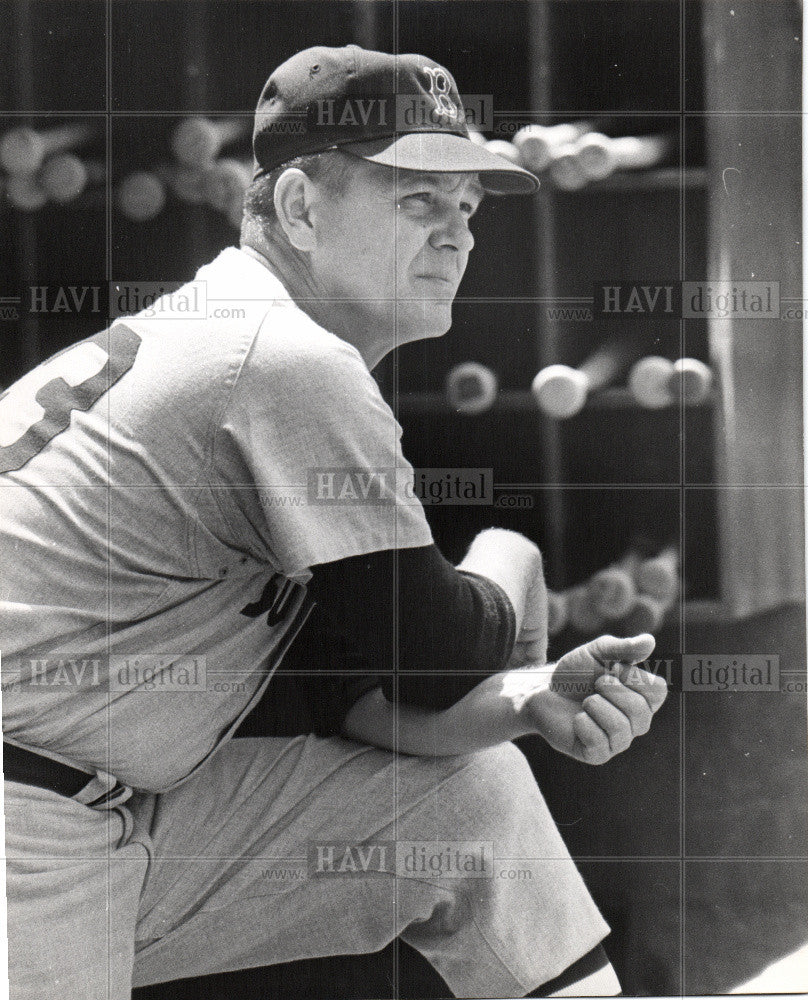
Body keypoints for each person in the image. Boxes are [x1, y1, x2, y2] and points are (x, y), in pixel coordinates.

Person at [0, 45, 667, 999]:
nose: (459, 238)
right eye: (416, 201)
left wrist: (527, 699)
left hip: (90, 808)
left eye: (467, 208)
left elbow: (356, 694)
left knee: (467, 805)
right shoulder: (281, 356)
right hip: (19, 826)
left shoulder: (234, 330)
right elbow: (434, 649)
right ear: (303, 210)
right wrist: (514, 554)